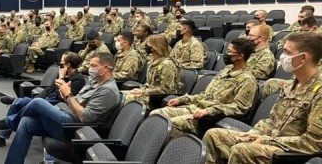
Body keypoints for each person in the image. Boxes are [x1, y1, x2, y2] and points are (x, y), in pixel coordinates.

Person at [202, 32, 322, 164]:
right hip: (271, 139)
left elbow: (314, 142)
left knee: (242, 150)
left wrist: (266, 140)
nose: (282, 57)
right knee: (214, 135)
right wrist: (253, 133)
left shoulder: (319, 91)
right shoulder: (289, 86)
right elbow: (271, 121)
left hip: (290, 152)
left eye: (287, 52)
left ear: (303, 58)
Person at [0, 53, 121, 163]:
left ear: (106, 68)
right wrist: (65, 92)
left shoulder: (108, 91)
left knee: (37, 103)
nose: (89, 68)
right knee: (26, 123)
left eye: (93, 66)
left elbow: (85, 117)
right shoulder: (94, 82)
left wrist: (68, 94)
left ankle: (8, 122)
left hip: (75, 127)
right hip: (66, 113)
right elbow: (77, 102)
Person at [151, 38, 258, 137]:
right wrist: (183, 99)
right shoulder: (225, 71)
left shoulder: (247, 80)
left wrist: (209, 111)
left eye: (229, 52)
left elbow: (239, 108)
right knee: (156, 115)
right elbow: (206, 95)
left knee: (172, 124)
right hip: (197, 107)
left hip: (208, 117)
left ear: (240, 56)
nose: (226, 54)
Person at [0, 52, 86, 149]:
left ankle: (17, 102)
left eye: (62, 63)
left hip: (56, 106)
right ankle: (1, 138)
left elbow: (66, 100)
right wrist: (36, 98)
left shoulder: (78, 79)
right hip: (46, 99)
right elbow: (48, 89)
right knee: (17, 105)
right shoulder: (63, 73)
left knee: (19, 103)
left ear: (68, 65)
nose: (60, 65)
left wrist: (61, 78)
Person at [124, 34, 182, 109]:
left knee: (126, 99)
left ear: (155, 47)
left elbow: (166, 90)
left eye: (148, 44)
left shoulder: (167, 64)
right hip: (148, 93)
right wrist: (142, 89)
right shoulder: (153, 61)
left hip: (156, 98)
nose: (146, 46)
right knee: (120, 95)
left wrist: (144, 92)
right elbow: (151, 84)